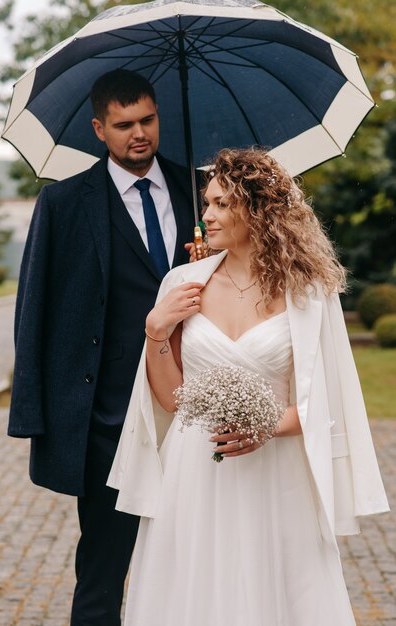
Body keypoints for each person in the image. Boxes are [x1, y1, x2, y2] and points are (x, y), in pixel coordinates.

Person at [107, 147, 389, 626]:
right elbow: (171, 399)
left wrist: (267, 427)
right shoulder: (182, 283)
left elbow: (326, 402)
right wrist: (157, 329)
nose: (207, 215)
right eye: (207, 202)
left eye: (221, 204)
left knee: (276, 593)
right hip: (193, 470)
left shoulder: (309, 292)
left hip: (275, 473)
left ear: (256, 210)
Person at [7, 68, 198, 625]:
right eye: (123, 125)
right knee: (103, 568)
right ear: (99, 128)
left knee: (193, 559)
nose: (139, 134)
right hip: (105, 421)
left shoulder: (201, 192)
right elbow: (33, 310)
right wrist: (36, 415)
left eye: (148, 120)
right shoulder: (64, 203)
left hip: (195, 409)